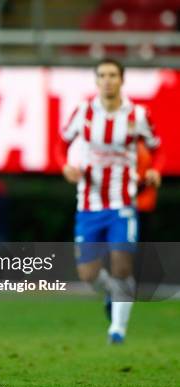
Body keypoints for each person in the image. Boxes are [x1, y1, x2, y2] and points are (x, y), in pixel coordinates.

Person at [60, 58, 162, 344]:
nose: (107, 80)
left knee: (121, 267)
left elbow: (158, 148)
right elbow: (62, 143)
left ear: (121, 79)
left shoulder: (138, 115)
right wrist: (65, 166)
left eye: (112, 75)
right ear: (96, 80)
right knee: (88, 274)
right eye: (102, 75)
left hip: (122, 203)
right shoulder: (82, 112)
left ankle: (117, 330)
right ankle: (110, 294)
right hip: (89, 204)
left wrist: (154, 169)